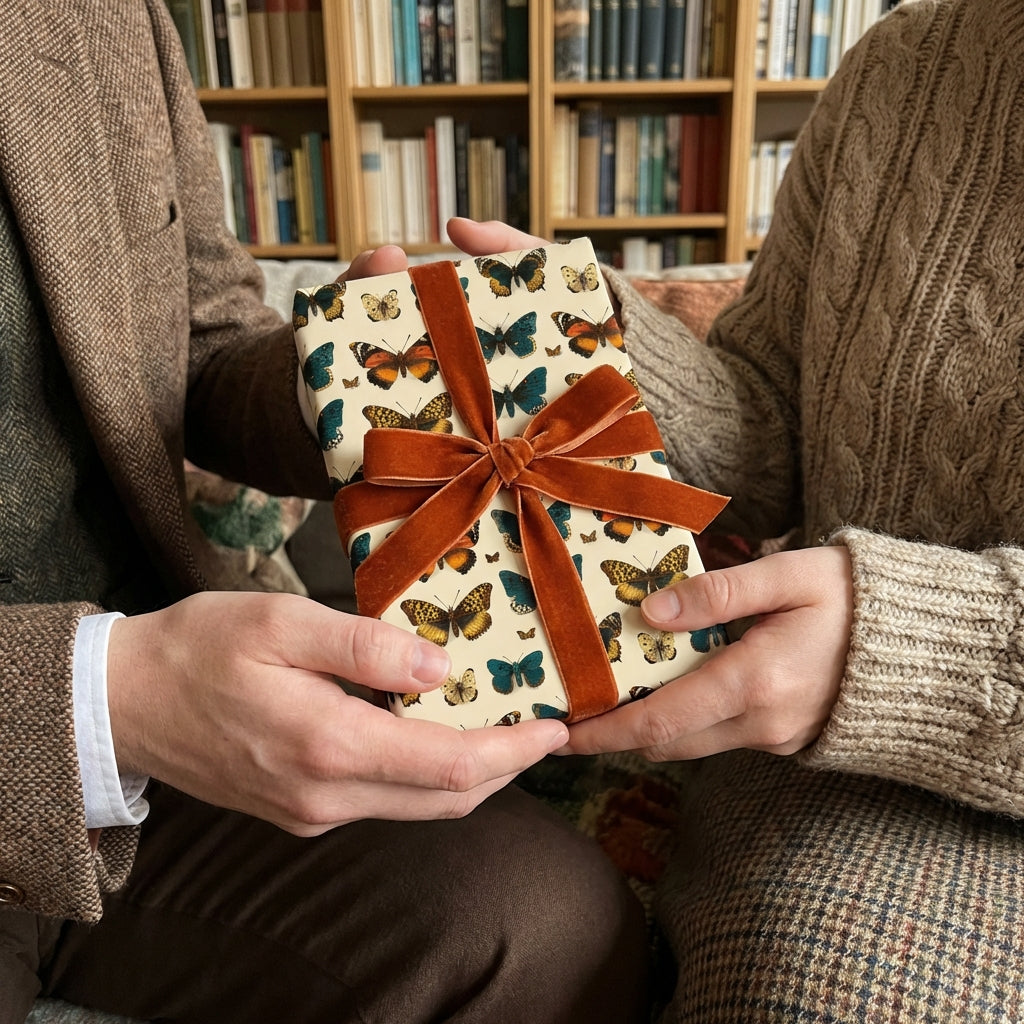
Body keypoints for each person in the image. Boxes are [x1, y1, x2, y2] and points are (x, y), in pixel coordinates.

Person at [0, 3, 652, 1022]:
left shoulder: (99, 15)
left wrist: (352, 379)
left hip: (171, 708)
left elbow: (204, 343)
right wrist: (99, 703)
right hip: (90, 701)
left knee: (556, 935)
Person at [450, 0, 1024, 1020]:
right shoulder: (908, 62)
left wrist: (910, 652)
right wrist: (598, 347)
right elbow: (772, 433)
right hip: (789, 745)